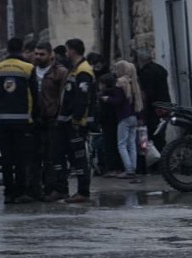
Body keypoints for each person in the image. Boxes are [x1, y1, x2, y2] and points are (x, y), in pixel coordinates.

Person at [0, 37, 39, 204]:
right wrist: (35, 117)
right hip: (23, 121)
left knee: (6, 159)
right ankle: (20, 191)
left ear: (8, 49)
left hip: (3, 121)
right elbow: (34, 94)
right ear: (21, 49)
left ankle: (8, 193)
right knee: (21, 158)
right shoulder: (28, 68)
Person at [59, 39, 96, 204]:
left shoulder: (83, 71)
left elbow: (82, 98)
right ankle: (80, 191)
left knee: (80, 158)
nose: (66, 54)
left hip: (78, 123)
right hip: (70, 121)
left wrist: (76, 119)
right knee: (75, 157)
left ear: (73, 51)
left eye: (67, 50)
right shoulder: (75, 69)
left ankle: (83, 191)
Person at [32, 42, 69, 201]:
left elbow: (64, 96)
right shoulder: (31, 71)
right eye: (36, 54)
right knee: (38, 155)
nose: (38, 57)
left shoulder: (60, 72)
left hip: (53, 119)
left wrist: (60, 115)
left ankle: (58, 188)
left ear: (50, 55)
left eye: (42, 54)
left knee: (54, 156)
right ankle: (42, 188)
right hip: (36, 119)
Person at [104, 60, 143, 182]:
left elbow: (118, 100)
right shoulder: (133, 82)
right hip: (134, 116)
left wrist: (107, 99)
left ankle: (128, 169)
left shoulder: (120, 82)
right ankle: (133, 168)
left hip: (124, 116)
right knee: (132, 144)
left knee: (121, 144)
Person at [135, 48, 171, 153]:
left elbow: (146, 93)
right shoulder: (159, 68)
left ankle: (156, 157)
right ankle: (162, 155)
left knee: (152, 135)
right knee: (160, 133)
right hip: (164, 105)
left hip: (153, 108)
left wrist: (141, 110)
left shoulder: (146, 72)